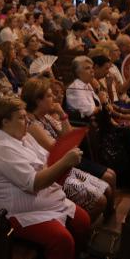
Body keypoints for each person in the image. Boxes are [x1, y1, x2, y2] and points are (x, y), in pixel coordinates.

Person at [0, 96, 90, 259]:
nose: (27, 121)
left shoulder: (23, 137)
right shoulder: (2, 149)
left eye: (26, 117)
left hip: (41, 201)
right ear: (5, 122)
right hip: (13, 214)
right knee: (61, 239)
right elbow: (33, 184)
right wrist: (65, 162)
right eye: (21, 118)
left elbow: (46, 160)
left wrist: (61, 160)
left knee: (82, 220)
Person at [21, 78, 113, 221]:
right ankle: (84, 228)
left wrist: (62, 114)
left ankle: (100, 223)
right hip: (54, 173)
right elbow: (56, 148)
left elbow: (68, 136)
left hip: (65, 164)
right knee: (100, 200)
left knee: (107, 188)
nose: (54, 98)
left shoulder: (45, 116)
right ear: (38, 101)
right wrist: (67, 143)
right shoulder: (31, 123)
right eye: (49, 95)